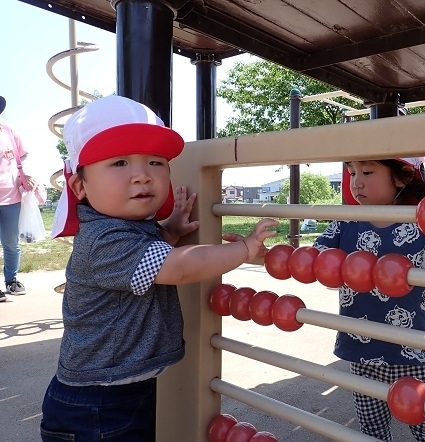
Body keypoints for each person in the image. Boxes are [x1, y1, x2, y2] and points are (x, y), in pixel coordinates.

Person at [40, 95, 278, 441]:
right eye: (119, 163)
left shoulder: (133, 228)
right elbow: (179, 268)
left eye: (155, 162)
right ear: (80, 186)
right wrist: (244, 249)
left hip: (124, 389)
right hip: (96, 406)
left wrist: (170, 230)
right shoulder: (103, 240)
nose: (142, 176)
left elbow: (150, 252)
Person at [313, 158, 425, 442]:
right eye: (352, 173)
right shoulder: (345, 223)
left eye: (368, 172)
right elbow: (309, 262)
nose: (356, 182)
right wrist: (253, 252)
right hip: (362, 350)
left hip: (415, 352)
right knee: (371, 430)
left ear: (401, 178)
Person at [0, 95, 39, 301]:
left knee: (11, 242)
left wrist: (27, 176)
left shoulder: (8, 131)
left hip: (11, 197)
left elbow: (20, 159)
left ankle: (11, 281)